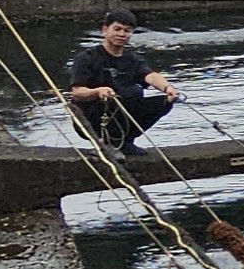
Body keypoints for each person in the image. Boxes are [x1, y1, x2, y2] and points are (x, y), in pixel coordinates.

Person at [67, 9, 179, 158]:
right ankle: (107, 143)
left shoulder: (132, 59)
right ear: (105, 30)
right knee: (122, 96)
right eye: (117, 29)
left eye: (127, 31)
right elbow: (77, 92)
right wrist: (97, 91)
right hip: (92, 116)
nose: (122, 34)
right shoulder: (87, 58)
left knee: (163, 101)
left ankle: (125, 142)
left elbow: (150, 76)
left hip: (123, 111)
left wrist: (168, 88)